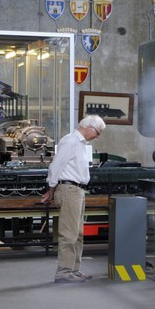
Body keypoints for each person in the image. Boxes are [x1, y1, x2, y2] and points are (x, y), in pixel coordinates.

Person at [40, 114, 105, 282]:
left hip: (77, 190)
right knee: (69, 233)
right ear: (89, 127)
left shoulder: (81, 144)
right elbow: (56, 165)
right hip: (69, 189)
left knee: (78, 233)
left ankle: (74, 269)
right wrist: (51, 188)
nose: (98, 136)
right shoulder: (70, 141)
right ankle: (63, 272)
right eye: (98, 132)